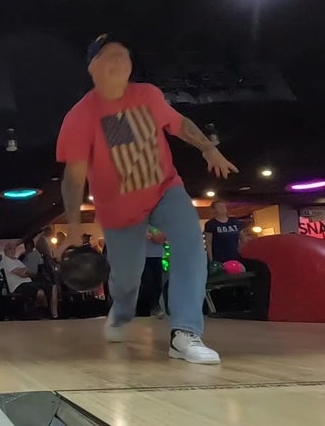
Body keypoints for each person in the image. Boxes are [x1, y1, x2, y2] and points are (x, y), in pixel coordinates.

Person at [56, 33, 238, 365]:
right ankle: (122, 311)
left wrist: (208, 147)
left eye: (123, 55)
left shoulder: (148, 95)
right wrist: (70, 228)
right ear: (92, 67)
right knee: (127, 276)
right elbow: (73, 178)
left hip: (165, 188)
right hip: (118, 208)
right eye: (108, 55)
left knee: (190, 249)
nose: (118, 61)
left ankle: (184, 332)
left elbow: (179, 124)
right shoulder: (80, 116)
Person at [0, 241, 58, 319]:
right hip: (18, 286)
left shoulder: (16, 260)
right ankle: (43, 314)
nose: (13, 250)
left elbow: (28, 271)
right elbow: (21, 273)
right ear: (5, 250)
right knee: (40, 292)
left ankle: (54, 315)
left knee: (53, 287)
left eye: (14, 248)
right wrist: (25, 271)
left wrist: (24, 271)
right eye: (10, 249)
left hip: (29, 282)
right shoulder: (5, 261)